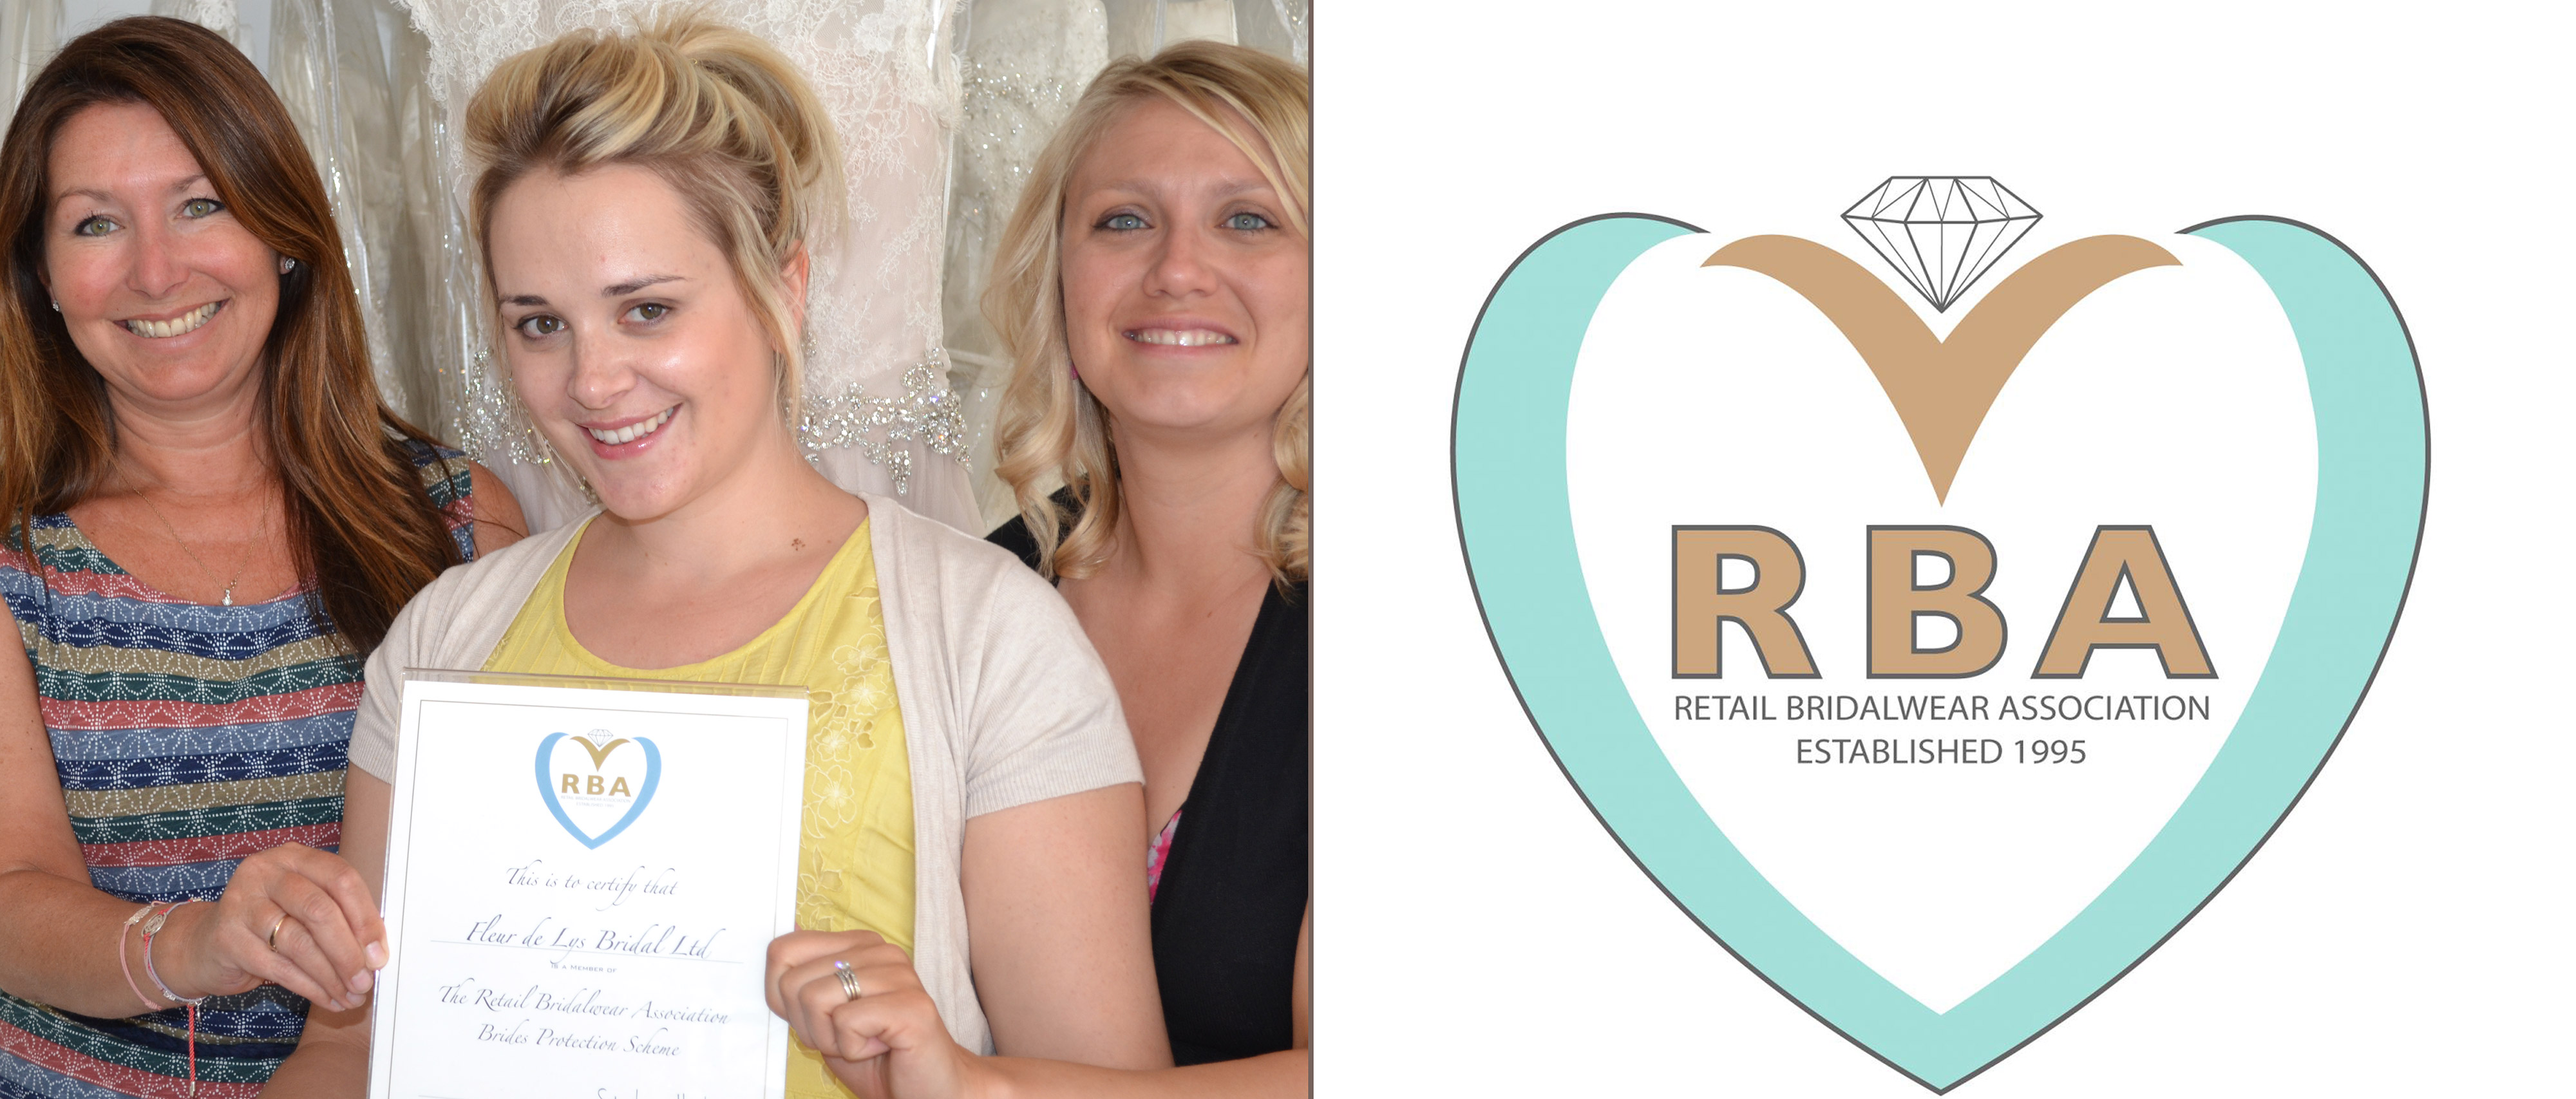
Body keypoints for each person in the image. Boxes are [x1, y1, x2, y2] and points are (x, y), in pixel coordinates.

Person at [314, 15, 1171, 1098]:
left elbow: (1105, 1080)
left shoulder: (986, 641)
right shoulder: (445, 641)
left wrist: (941, 1072)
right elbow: (347, 1053)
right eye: (540, 324)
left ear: (784, 289)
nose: (593, 381)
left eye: (648, 310)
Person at [769, 40, 1312, 1099]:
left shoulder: (1440, 620)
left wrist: (981, 1089)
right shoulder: (971, 600)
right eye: (1124, 220)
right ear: (1055, 275)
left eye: (1249, 220)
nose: (1178, 269)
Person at [0, 16, 526, 1096]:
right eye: (96, 224)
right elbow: (11, 892)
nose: (157, 272)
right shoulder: (14, 557)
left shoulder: (459, 520)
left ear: (283, 233)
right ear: (41, 275)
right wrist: (198, 942)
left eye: (201, 205)